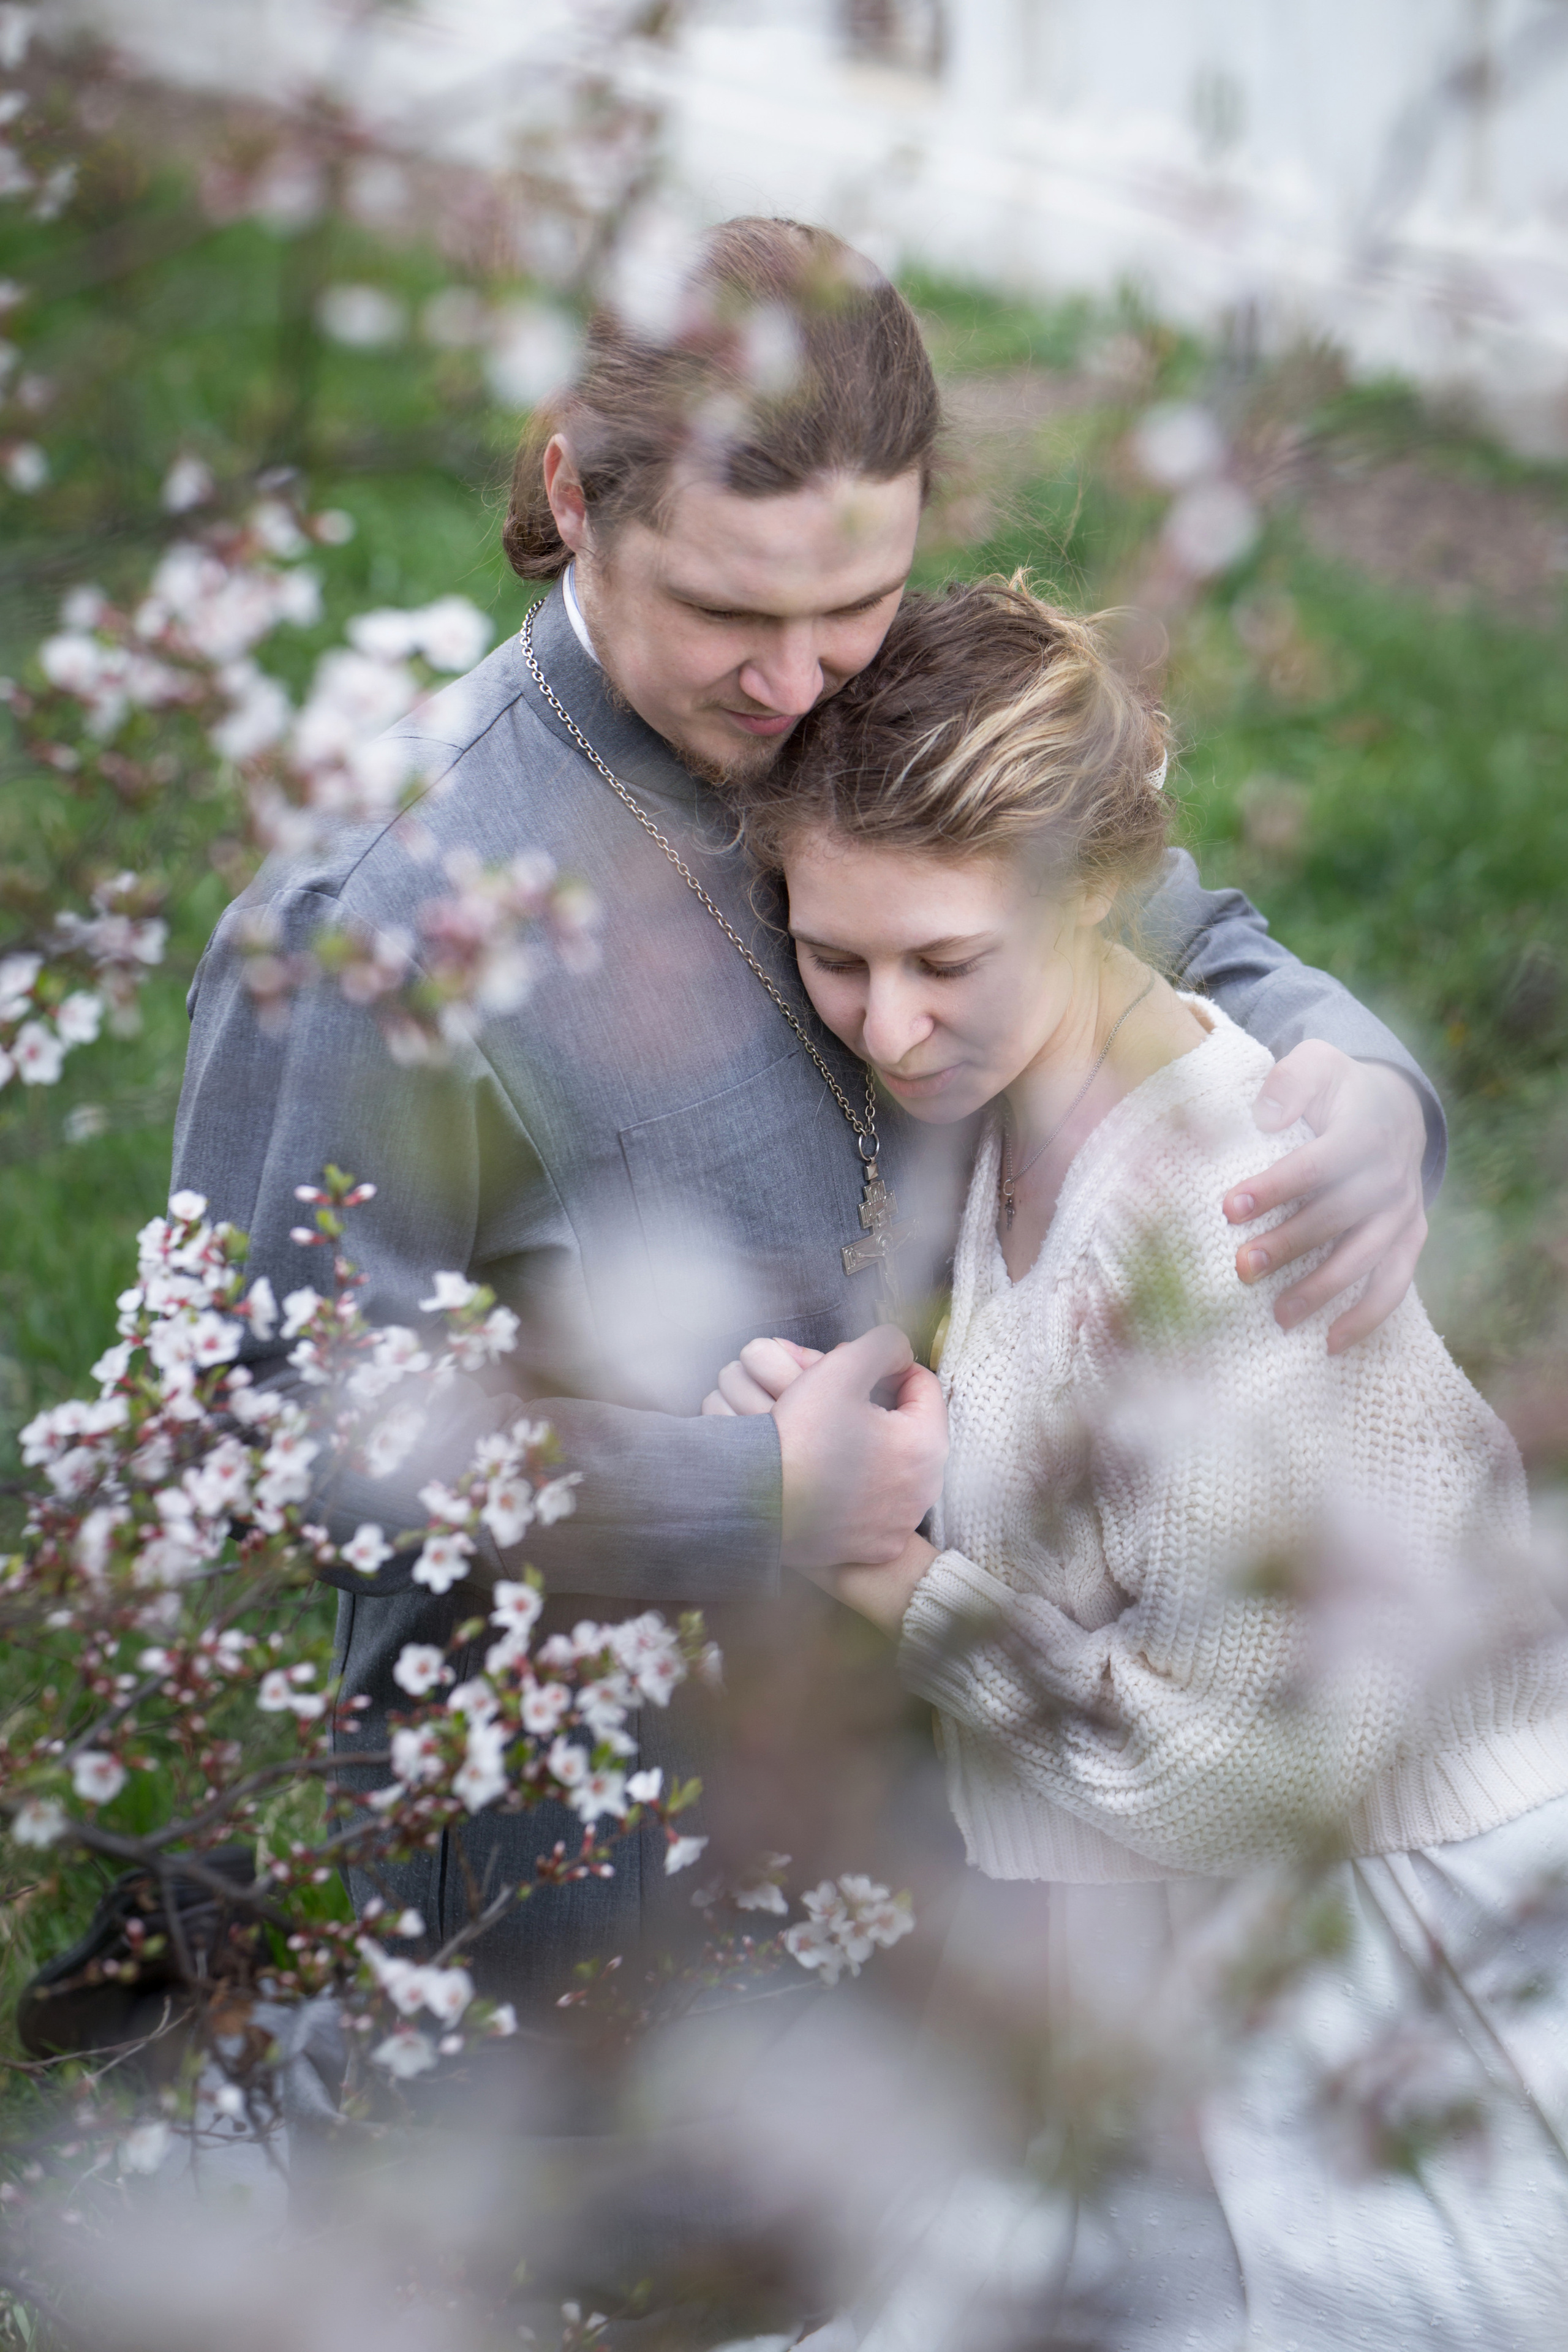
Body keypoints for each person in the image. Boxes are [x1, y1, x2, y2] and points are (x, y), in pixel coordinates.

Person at [173, 217, 1442, 2002]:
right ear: (576, 497)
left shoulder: (890, 698)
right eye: (725, 613)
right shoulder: (383, 916)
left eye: (853, 603)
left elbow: (1178, 926)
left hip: (1003, 1781)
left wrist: (1367, 1086)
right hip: (598, 1878)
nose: (795, 686)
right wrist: (760, 1490)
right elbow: (261, 1430)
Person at [714, 574, 1568, 2348]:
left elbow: (1254, 1781)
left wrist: (887, 1572)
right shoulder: (1020, 1102)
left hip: (1373, 1947)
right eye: (835, 956)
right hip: (1154, 1927)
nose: (886, 1025)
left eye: (947, 962)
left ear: (1104, 888)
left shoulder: (1218, 1221)